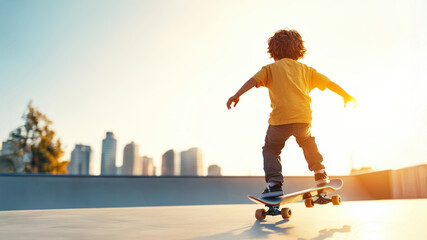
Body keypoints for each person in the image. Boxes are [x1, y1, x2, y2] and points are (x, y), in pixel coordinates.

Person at [226, 29, 357, 198]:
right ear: (299, 51)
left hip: (280, 121)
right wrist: (346, 95)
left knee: (271, 149)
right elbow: (329, 83)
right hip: (303, 119)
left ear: (273, 53)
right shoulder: (307, 70)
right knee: (307, 142)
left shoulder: (270, 69)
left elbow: (253, 81)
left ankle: (274, 184)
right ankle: (320, 173)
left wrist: (237, 95)